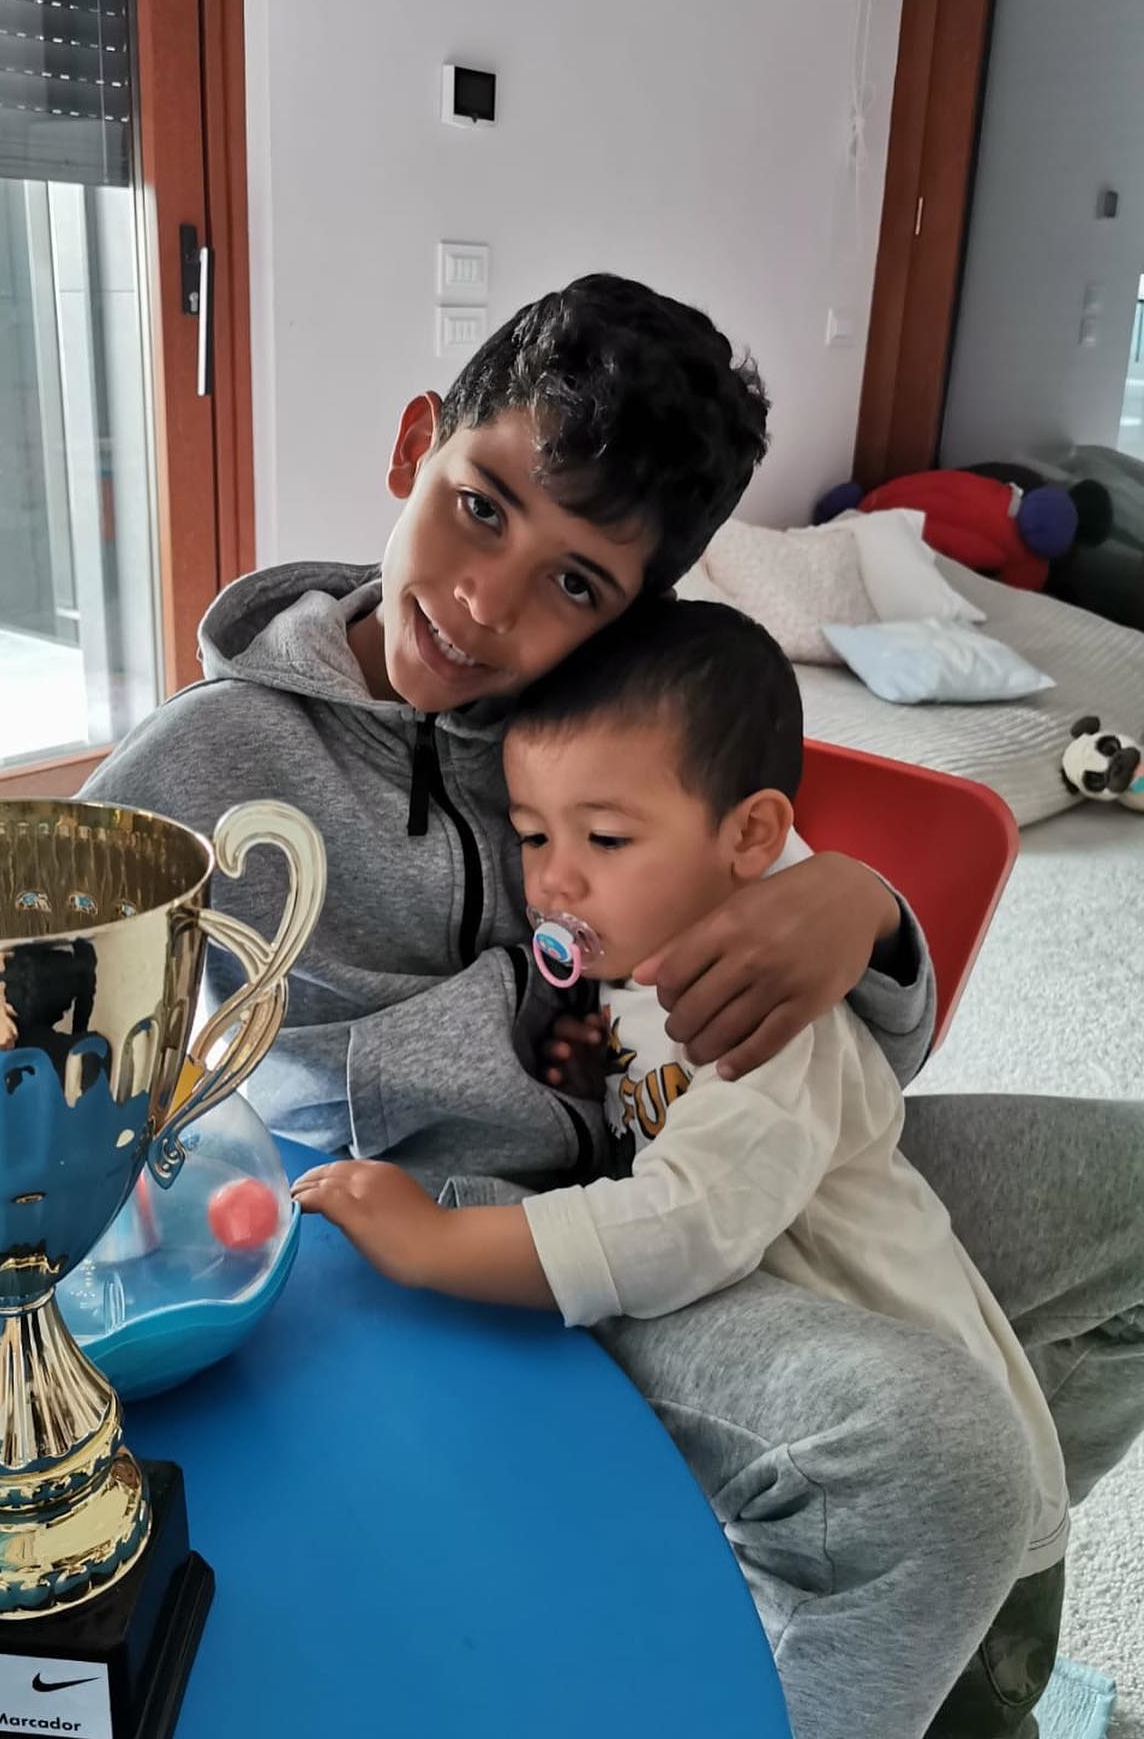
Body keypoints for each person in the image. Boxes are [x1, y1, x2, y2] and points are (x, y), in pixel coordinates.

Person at [0, 276, 1139, 1739]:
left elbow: (843, 1055)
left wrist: (859, 912)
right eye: (484, 505)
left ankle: (947, 1620)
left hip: (708, 1144)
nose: (488, 600)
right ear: (416, 445)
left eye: (579, 583)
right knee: (926, 1464)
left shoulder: (607, 739)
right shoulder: (216, 757)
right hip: (503, 1236)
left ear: (641, 612)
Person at [293, 596, 1072, 1735]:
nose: (555, 880)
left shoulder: (773, 1018)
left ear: (752, 839)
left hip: (942, 1556)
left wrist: (443, 1240)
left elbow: (681, 1224)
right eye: (531, 833)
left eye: (604, 840)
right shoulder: (629, 951)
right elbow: (595, 1079)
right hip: (802, 1462)